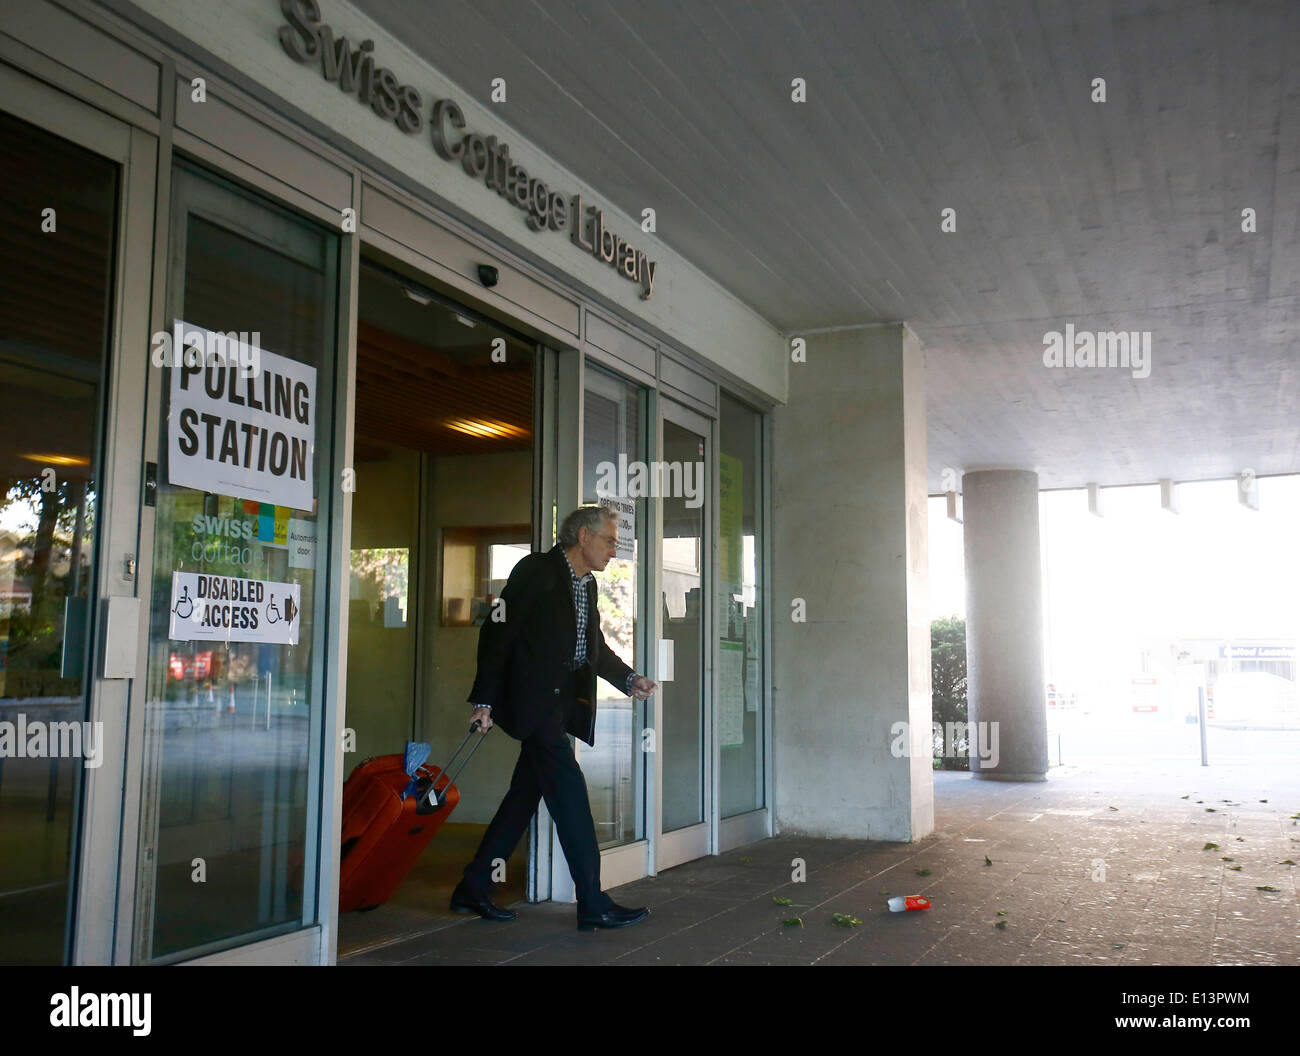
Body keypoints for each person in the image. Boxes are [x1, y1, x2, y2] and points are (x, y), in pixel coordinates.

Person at [450, 505, 657, 930]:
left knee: (522, 800)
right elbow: (498, 632)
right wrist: (484, 700)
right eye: (610, 541)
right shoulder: (537, 571)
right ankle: (593, 902)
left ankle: (473, 887)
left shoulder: (588, 585)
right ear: (583, 536)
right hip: (535, 706)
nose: (614, 550)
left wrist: (628, 678)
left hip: (561, 707)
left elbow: (591, 644)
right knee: (573, 801)